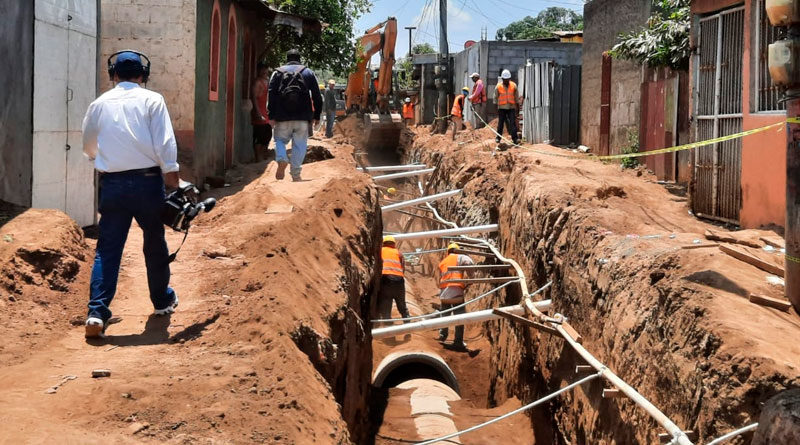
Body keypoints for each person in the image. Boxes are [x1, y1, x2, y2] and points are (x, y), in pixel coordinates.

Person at [81, 51, 179, 338]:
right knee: (154, 240)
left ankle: (97, 313)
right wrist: (172, 177)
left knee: (108, 248)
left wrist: (107, 159)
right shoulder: (153, 100)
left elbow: (88, 146)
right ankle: (162, 301)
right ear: (143, 76)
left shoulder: (99, 104)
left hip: (112, 184)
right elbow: (165, 142)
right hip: (148, 183)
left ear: (113, 74)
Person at [268, 49, 323, 182]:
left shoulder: (277, 73)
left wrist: (271, 115)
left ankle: (282, 158)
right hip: (303, 117)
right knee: (299, 144)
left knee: (279, 140)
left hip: (282, 116)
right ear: (299, 59)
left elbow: (271, 94)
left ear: (287, 59)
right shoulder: (308, 72)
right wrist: (317, 115)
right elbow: (317, 95)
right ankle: (296, 174)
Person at [437, 242, 474, 350]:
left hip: (444, 293)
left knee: (445, 316)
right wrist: (471, 277)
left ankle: (442, 336)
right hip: (456, 291)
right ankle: (458, 342)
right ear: (457, 250)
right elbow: (469, 262)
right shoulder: (460, 257)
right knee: (460, 317)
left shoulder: (443, 262)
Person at [378, 235, 410, 322]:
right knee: (402, 306)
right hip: (399, 281)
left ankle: (389, 331)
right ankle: (408, 326)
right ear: (393, 244)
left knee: (386, 308)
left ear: (383, 243)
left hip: (385, 280)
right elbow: (402, 268)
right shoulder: (399, 253)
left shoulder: (380, 251)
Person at [251, 62, 272, 162]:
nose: (264, 71)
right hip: (259, 112)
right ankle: (258, 158)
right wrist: (258, 112)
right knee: (259, 135)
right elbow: (254, 98)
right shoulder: (257, 82)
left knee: (267, 134)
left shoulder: (268, 81)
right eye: (262, 69)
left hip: (266, 113)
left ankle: (263, 155)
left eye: (265, 69)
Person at [495, 69, 522, 145]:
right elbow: (495, 98)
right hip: (502, 108)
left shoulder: (513, 85)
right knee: (500, 123)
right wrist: (496, 109)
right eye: (505, 79)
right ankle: (498, 138)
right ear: (502, 79)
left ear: (509, 79)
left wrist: (517, 110)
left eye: (507, 79)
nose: (506, 81)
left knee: (512, 124)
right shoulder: (498, 86)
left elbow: (516, 98)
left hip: (511, 108)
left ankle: (515, 139)